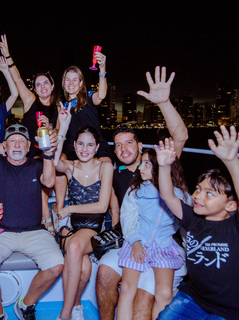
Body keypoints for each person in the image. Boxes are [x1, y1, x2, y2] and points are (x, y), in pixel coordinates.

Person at [0, 85, 65, 320]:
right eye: (12, 141)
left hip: (34, 232)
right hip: (1, 232)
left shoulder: (36, 164)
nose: (17, 145)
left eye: (22, 142)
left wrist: (48, 152)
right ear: (4, 147)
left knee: (57, 265)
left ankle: (26, 304)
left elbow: (49, 181)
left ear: (29, 147)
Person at [96, 66, 189, 320]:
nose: (122, 148)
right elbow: (120, 211)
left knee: (144, 295)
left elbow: (180, 136)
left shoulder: (161, 167)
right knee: (104, 273)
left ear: (140, 145)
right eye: (117, 145)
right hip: (133, 241)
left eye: (128, 143)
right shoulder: (116, 174)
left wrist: (165, 103)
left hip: (163, 246)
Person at [156, 126, 239, 320]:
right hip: (196, 298)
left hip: (235, 310)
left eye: (209, 193)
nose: (197, 196)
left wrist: (231, 161)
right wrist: (164, 166)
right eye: (198, 189)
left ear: (230, 205)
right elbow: (168, 196)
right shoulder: (194, 220)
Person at [0, 34, 64, 235]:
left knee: (53, 166)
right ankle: (45, 214)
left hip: (48, 152)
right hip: (27, 152)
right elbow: (17, 78)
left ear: (52, 86)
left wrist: (50, 127)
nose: (42, 87)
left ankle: (58, 211)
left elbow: (59, 134)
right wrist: (8, 56)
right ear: (34, 88)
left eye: (46, 83)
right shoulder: (30, 101)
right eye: (38, 84)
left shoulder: (59, 109)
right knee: (38, 167)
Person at [117, 148, 189, 320]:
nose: (140, 167)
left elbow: (186, 224)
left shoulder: (179, 195)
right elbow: (127, 217)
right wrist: (135, 242)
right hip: (138, 241)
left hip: (163, 244)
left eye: (147, 164)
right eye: (141, 162)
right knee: (127, 288)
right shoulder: (135, 191)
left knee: (164, 294)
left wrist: (190, 248)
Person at [54, 123, 113, 320]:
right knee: (85, 270)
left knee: (76, 247)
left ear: (97, 147)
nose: (84, 149)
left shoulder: (105, 166)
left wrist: (69, 208)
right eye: (80, 144)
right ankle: (76, 305)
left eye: (90, 145)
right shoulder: (70, 166)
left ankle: (65, 313)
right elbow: (54, 162)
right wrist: (63, 127)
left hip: (94, 228)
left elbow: (102, 207)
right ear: (74, 145)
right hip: (70, 227)